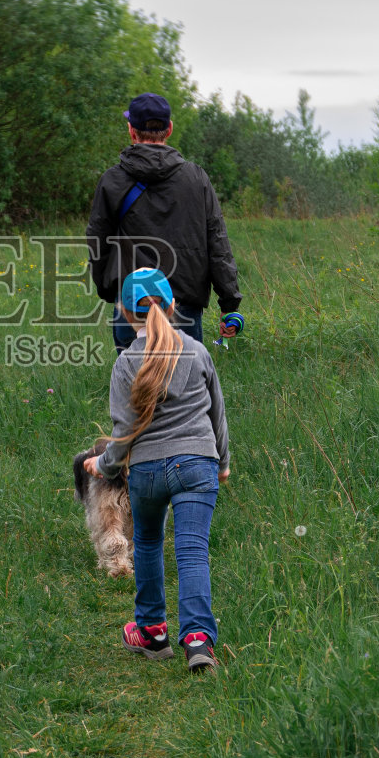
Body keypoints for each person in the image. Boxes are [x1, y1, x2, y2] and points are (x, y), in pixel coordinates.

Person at [85, 266, 229, 671]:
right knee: (192, 550)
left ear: (124, 313)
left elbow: (123, 434)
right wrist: (222, 462)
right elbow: (217, 414)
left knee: (147, 542)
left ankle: (151, 632)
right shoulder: (197, 351)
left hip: (146, 472)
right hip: (197, 463)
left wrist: (103, 464)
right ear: (172, 305)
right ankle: (198, 640)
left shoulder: (125, 363)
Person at [86, 91, 241, 354]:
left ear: (131, 131)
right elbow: (217, 242)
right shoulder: (196, 179)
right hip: (183, 304)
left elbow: (97, 241)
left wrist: (110, 291)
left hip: (132, 302)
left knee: (133, 377)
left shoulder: (112, 181)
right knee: (187, 376)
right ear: (169, 129)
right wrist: (229, 302)